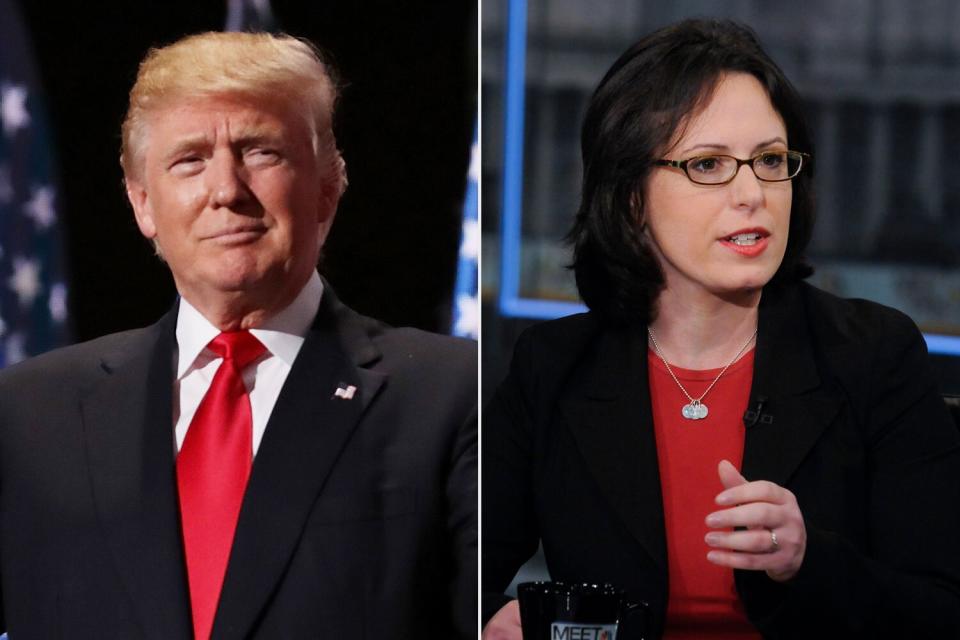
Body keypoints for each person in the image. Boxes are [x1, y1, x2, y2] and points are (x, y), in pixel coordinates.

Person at [482, 18, 960, 640]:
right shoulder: (554, 367)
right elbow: (451, 568)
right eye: (708, 164)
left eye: (769, 160)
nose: (752, 193)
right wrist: (494, 618)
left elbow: (943, 611)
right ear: (631, 197)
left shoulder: (874, 356)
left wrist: (808, 562)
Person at [0, 32, 476, 639]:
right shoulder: (28, 414)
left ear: (329, 186)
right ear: (143, 203)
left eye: (260, 152)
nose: (226, 190)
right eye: (190, 160)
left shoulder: (453, 396)